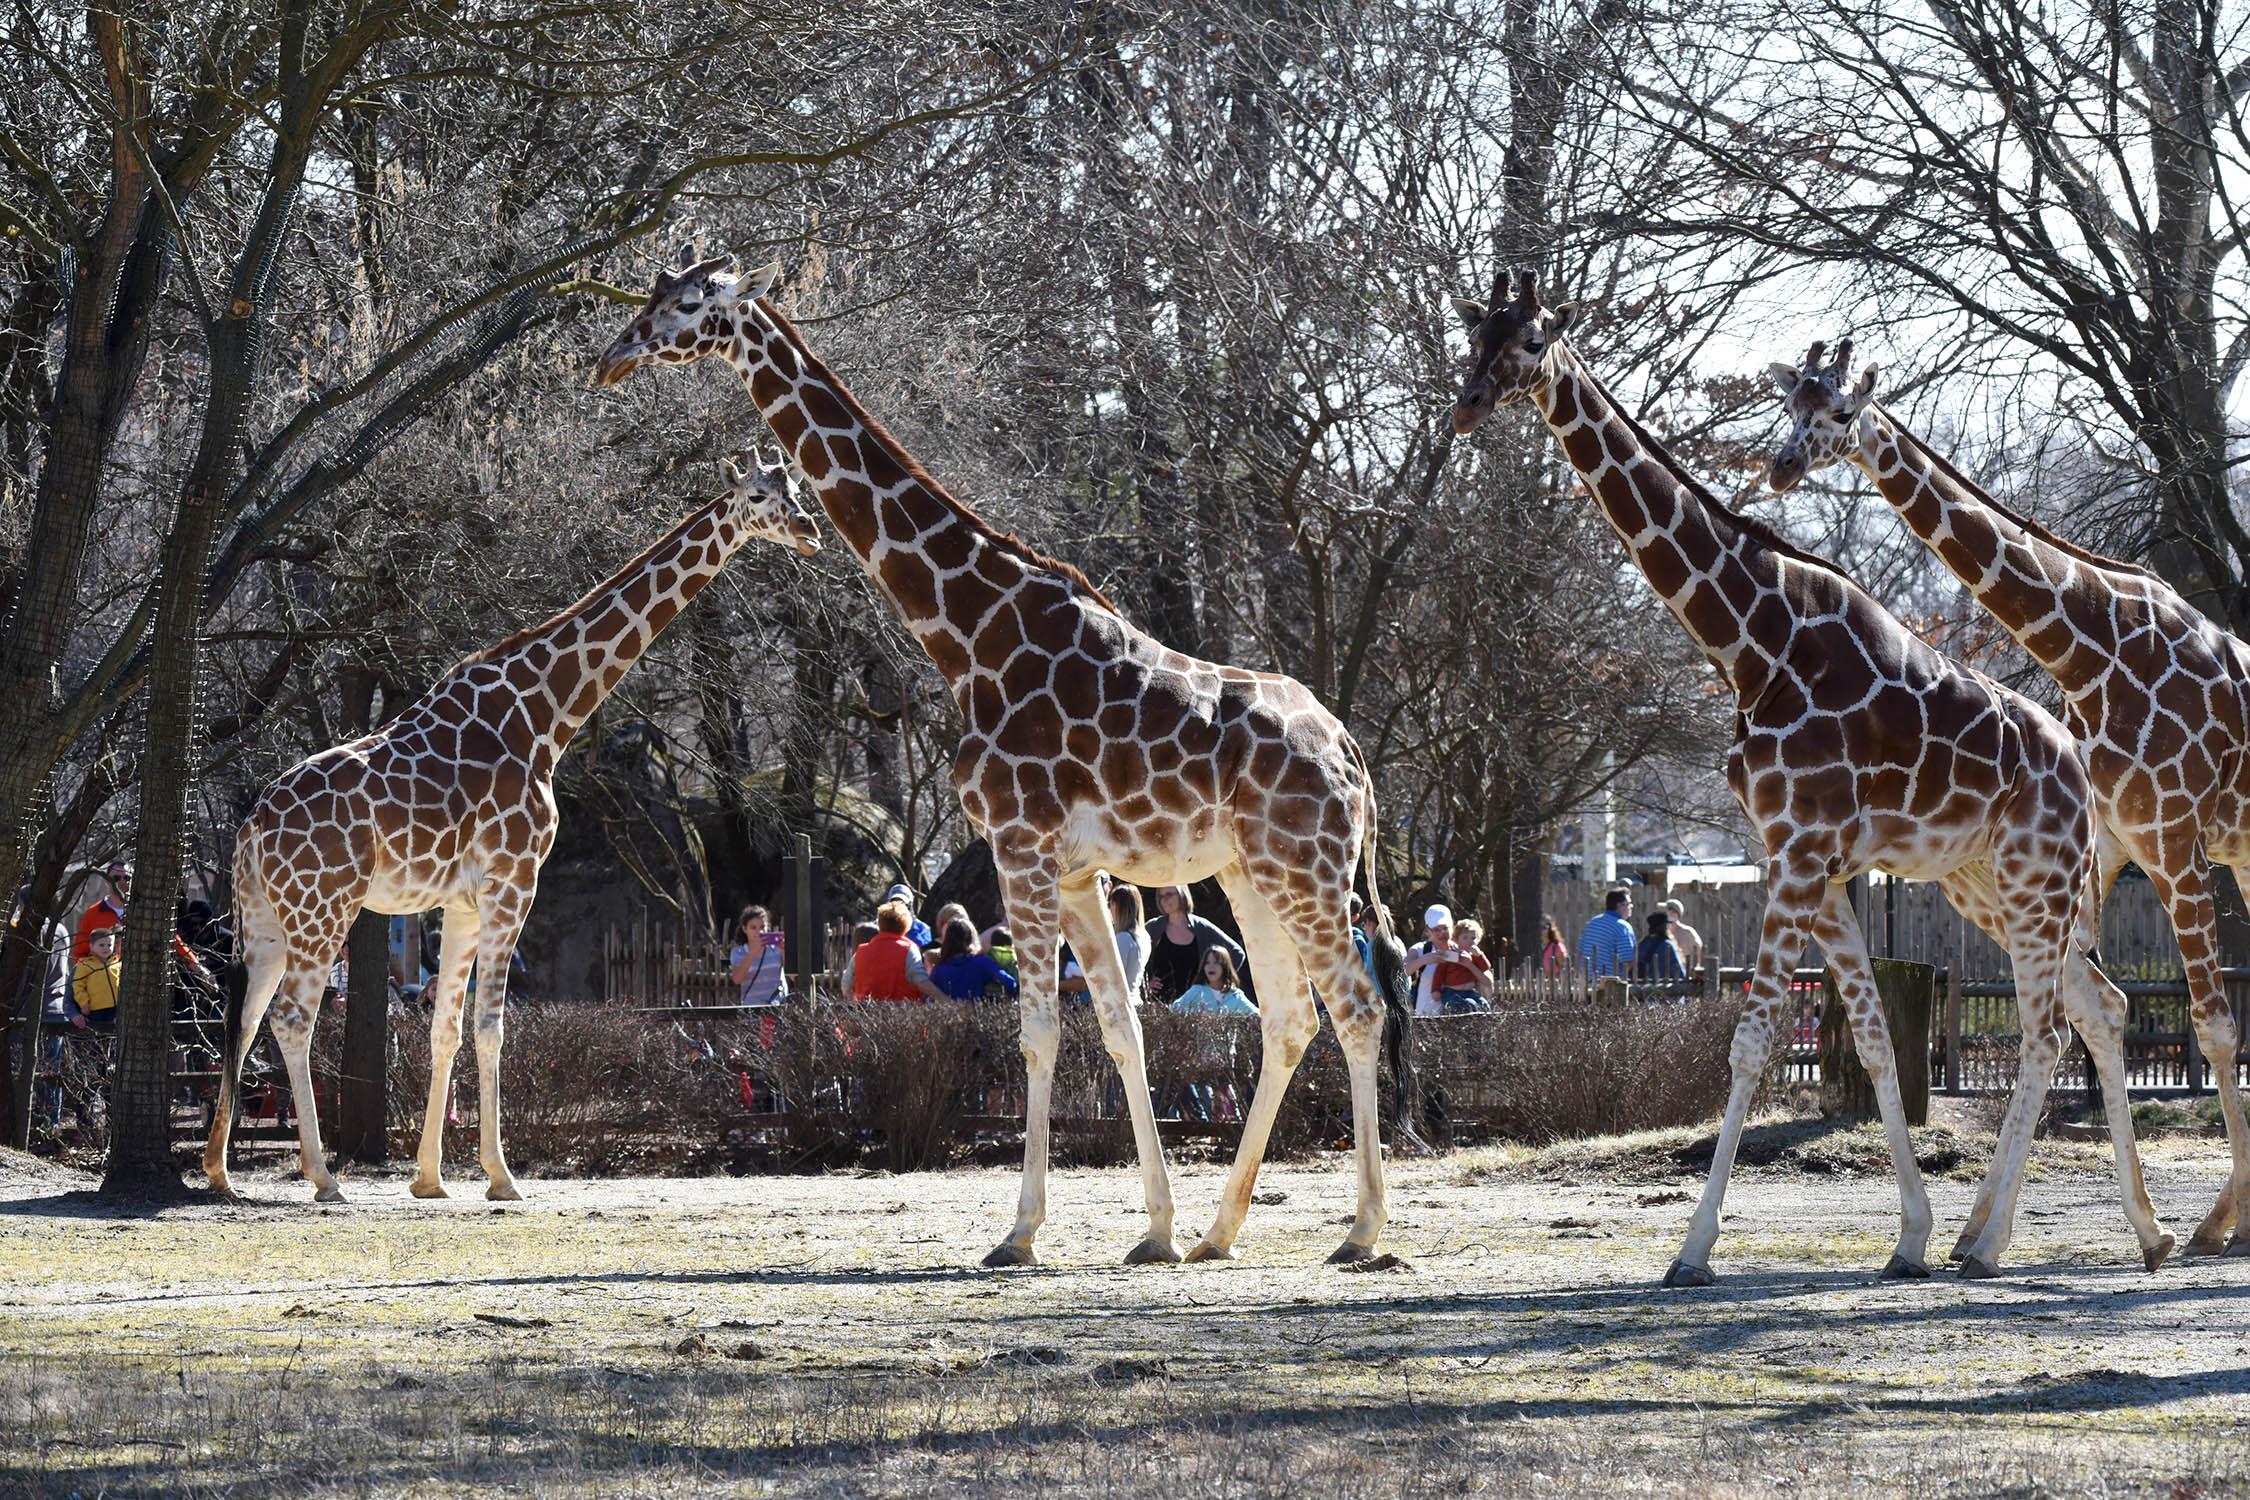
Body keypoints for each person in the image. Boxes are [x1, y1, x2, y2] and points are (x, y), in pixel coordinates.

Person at [1354, 896, 1425, 1145]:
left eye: (1366, 923)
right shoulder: (1397, 944)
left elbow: (1366, 980)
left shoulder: (1374, 946)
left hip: (1377, 1014)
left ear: (1371, 923)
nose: (1364, 928)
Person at [1142, 885, 1248, 1004]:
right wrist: (1145, 984)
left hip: (1196, 1008)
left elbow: (1237, 953)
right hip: (1159, 1008)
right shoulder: (1153, 928)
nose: (1164, 900)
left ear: (1182, 894)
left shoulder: (1201, 928)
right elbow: (1132, 961)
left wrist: (1214, 983)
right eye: (1161, 896)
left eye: (1169, 894)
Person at [1405, 905, 1493, 1015]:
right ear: (1428, 930)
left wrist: (1469, 965)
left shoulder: (1463, 949)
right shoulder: (1420, 949)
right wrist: (1424, 959)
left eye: (1445, 928)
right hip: (1427, 1016)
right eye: (1437, 929)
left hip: (1459, 1016)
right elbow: (1403, 971)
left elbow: (1488, 982)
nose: (1442, 933)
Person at [849, 900, 945, 1002]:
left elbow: (846, 986)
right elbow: (921, 982)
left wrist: (858, 1003)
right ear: (906, 924)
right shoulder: (909, 949)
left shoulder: (860, 952)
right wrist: (946, 1000)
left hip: (867, 1013)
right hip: (901, 1012)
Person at [930, 918, 1018, 1000]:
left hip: (946, 1015)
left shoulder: (938, 970)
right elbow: (1010, 984)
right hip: (978, 1014)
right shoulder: (982, 963)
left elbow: (928, 998)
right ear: (972, 938)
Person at [728, 904, 789, 1007]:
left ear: (768, 928)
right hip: (752, 1010)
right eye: (753, 928)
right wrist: (752, 953)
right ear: (744, 929)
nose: (759, 932)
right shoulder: (738, 952)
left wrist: (786, 951)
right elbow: (737, 979)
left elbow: (792, 976)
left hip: (777, 1007)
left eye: (762, 927)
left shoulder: (776, 950)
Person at [1169, 946, 1257, 1015]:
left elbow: (1256, 1014)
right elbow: (1174, 1009)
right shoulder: (1196, 991)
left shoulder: (1235, 996)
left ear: (1225, 966)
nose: (1211, 967)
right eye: (1207, 963)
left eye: (1216, 962)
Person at [71, 924, 122, 1034]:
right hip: (94, 1010)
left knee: (113, 1038)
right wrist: (83, 1002)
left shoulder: (117, 964)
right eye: (101, 945)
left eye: (109, 945)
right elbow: (78, 985)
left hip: (115, 1009)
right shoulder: (85, 965)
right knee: (95, 1040)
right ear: (91, 946)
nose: (106, 948)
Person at [1577, 886, 1637, 977]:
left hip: (1587, 980)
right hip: (1609, 983)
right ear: (1619, 905)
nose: (1631, 907)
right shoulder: (1622, 927)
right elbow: (1628, 960)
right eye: (1628, 904)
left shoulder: (1592, 923)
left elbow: (1580, 952)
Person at [1109, 883, 1148, 998]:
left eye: (1111, 904)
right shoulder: (1144, 936)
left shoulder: (1123, 938)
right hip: (1136, 999)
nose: (1109, 908)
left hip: (1121, 1003)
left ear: (1118, 906)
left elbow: (1114, 978)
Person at [1635, 908, 1687, 980]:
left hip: (1642, 988)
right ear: (1665, 926)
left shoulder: (1642, 944)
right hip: (1666, 989)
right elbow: (1680, 973)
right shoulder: (1668, 945)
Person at [881, 882, 934, 948]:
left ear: (910, 905)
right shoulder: (879, 925)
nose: (898, 907)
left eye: (902, 903)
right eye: (894, 902)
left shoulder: (922, 929)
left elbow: (924, 949)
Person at [837, 921, 880, 999]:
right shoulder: (885, 954)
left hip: (863, 1002)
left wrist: (856, 999)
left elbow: (846, 987)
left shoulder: (857, 957)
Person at [1662, 898, 1705, 971]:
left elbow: (1699, 951)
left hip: (1687, 973)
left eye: (1666, 911)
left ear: (1674, 913)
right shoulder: (1663, 932)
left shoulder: (1688, 932)